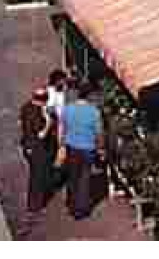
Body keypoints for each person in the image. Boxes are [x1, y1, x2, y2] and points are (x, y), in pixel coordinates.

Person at [58, 82, 103, 221]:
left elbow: (61, 129)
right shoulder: (94, 112)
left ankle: (71, 205)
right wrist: (101, 147)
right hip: (88, 148)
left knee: (72, 177)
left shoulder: (68, 109)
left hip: (71, 147)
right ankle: (81, 209)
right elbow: (99, 133)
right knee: (84, 178)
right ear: (89, 96)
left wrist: (61, 145)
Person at [18, 86, 56, 215]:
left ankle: (33, 203)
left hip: (28, 146)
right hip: (37, 148)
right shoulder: (38, 113)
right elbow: (41, 135)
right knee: (38, 176)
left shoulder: (26, 107)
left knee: (35, 175)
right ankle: (36, 205)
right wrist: (48, 122)